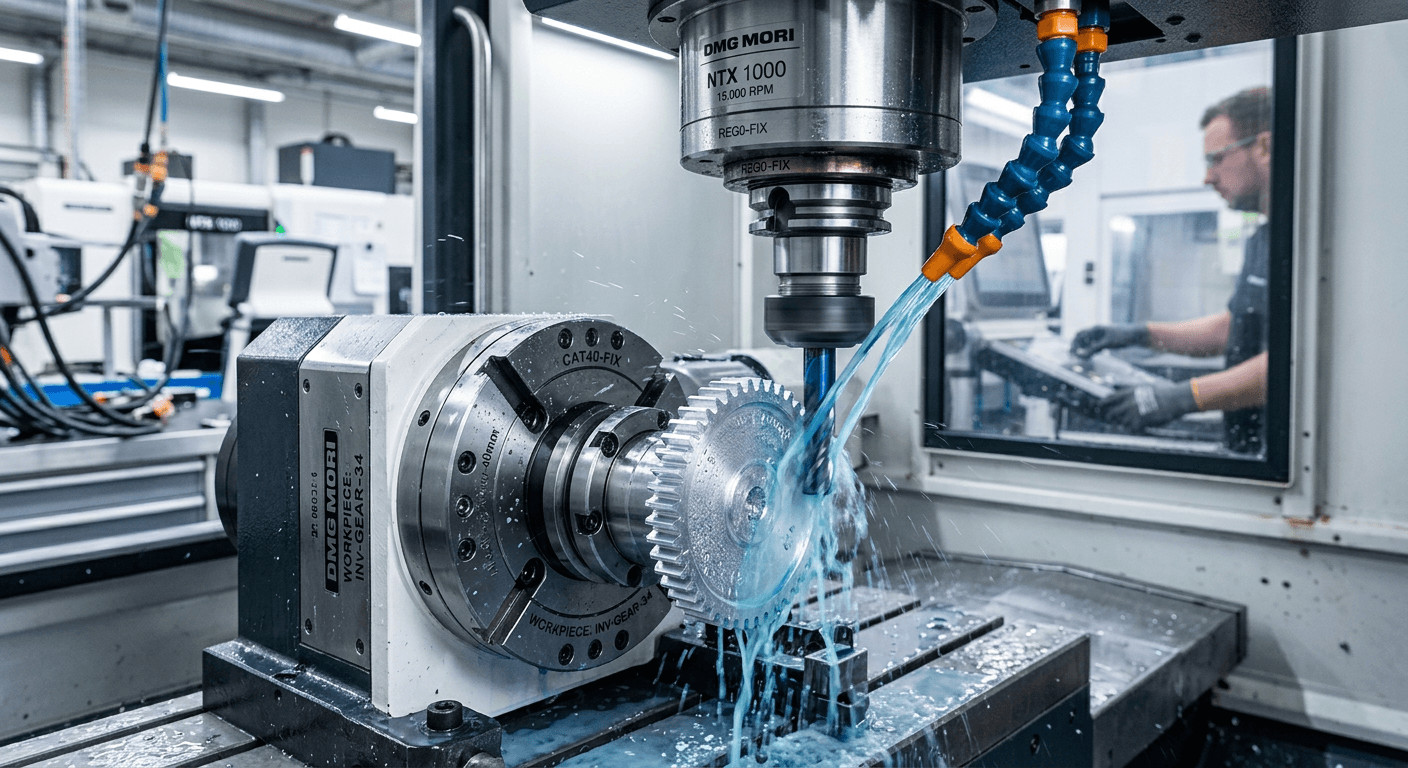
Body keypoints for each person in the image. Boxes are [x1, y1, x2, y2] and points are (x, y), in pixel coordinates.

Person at [1071, 87, 1271, 454]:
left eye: (1217, 159)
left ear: (1264, 147)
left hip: (1288, 463)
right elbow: (1233, 328)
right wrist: (1138, 334)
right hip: (1248, 449)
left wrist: (1182, 397)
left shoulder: (1309, 239)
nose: (1208, 177)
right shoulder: (1264, 239)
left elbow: (1298, 360)